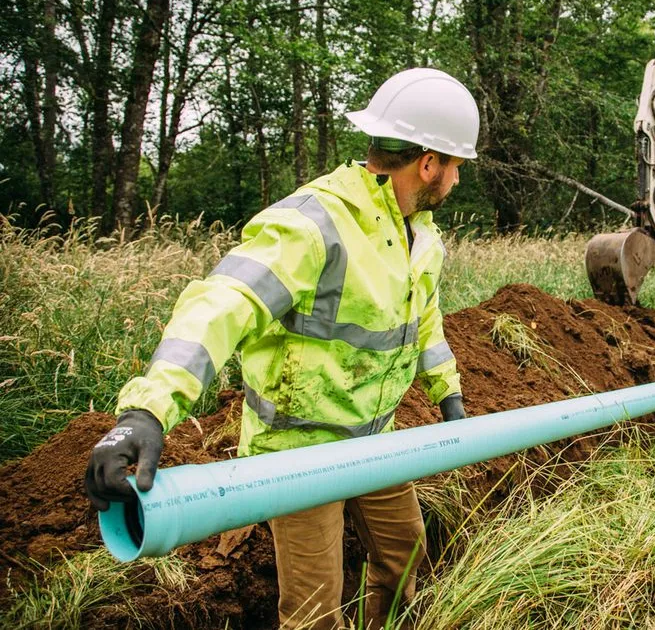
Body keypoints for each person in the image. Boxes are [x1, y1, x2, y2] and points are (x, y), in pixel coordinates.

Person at [84, 68, 480, 629]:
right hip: (298, 452)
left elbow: (425, 321)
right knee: (315, 613)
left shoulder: (422, 234)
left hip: (376, 438)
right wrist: (147, 410)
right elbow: (222, 302)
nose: (458, 180)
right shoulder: (313, 223)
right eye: (458, 166)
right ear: (429, 162)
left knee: (405, 551)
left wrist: (450, 396)